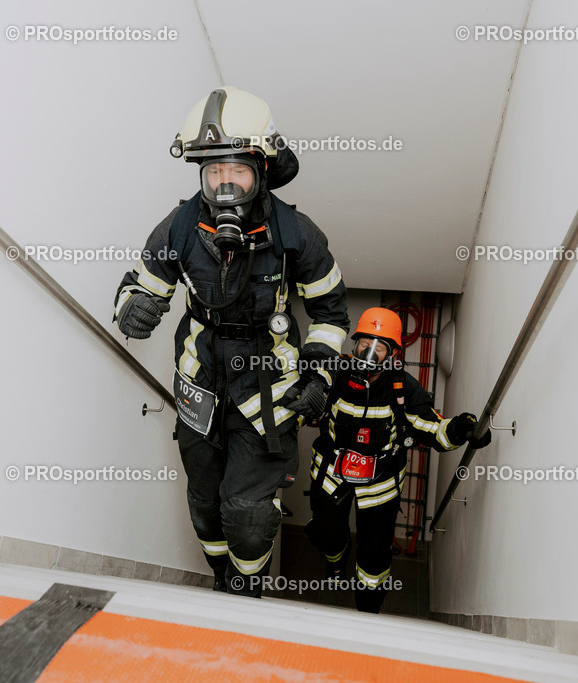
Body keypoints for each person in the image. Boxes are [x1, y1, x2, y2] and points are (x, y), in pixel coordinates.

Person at [112, 86, 350, 597]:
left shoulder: (297, 235)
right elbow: (139, 284)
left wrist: (319, 374)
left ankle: (246, 586)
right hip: (200, 382)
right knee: (204, 500)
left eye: (236, 171)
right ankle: (222, 574)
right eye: (212, 172)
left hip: (268, 390)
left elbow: (330, 312)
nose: (223, 185)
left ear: (260, 169)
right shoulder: (178, 227)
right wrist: (133, 307)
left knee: (246, 512)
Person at [305, 307, 491, 613]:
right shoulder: (335, 373)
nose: (370, 352)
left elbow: (433, 428)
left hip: (380, 484)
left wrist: (462, 429)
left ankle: (368, 611)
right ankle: (335, 562)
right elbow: (307, 405)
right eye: (366, 342)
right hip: (331, 473)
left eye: (380, 347)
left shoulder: (402, 387)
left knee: (374, 557)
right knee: (326, 534)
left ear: (392, 353)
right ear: (355, 344)